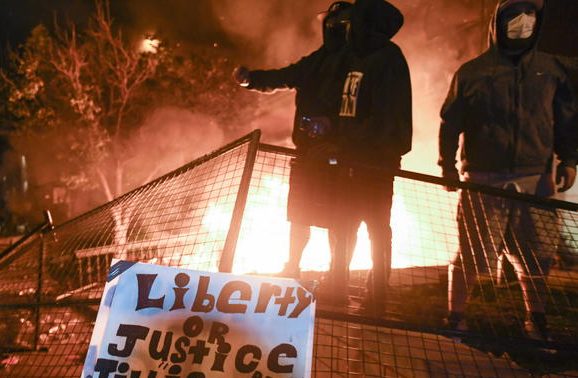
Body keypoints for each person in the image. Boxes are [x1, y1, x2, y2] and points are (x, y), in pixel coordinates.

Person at [234, 0, 412, 313]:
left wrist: (340, 141)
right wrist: (253, 79)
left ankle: (374, 295)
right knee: (328, 218)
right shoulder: (329, 58)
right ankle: (329, 283)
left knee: (370, 225)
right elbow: (291, 75)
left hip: (365, 159)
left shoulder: (380, 58)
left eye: (344, 22)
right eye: (331, 22)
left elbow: (383, 117)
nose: (336, 27)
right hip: (330, 154)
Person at [439, 0, 578, 339]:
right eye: (514, 17)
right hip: (484, 179)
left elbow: (566, 119)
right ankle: (455, 318)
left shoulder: (551, 70)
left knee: (537, 256)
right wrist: (448, 165)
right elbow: (450, 122)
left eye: (529, 18)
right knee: (471, 253)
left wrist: (569, 160)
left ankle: (537, 321)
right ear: (498, 22)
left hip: (537, 178)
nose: (521, 24)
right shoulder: (472, 72)